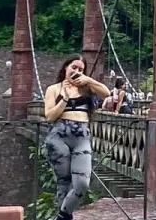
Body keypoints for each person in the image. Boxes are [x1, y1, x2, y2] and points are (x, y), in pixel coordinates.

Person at [43, 54, 111, 220]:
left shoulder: (86, 88)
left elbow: (106, 93)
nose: (77, 71)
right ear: (66, 67)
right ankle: (67, 217)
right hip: (59, 137)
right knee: (64, 183)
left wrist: (89, 80)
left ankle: (61, 216)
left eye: (81, 69)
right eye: (74, 67)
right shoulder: (53, 89)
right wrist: (64, 98)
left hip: (81, 137)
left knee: (82, 183)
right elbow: (50, 116)